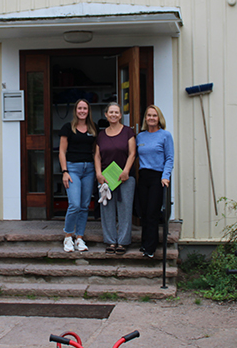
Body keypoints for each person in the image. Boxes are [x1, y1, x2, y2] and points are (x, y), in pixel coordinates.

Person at [94, 102, 136, 254]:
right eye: (111, 112)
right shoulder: (101, 135)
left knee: (125, 209)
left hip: (125, 177)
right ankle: (111, 241)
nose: (113, 115)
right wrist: (99, 174)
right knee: (107, 209)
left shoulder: (128, 132)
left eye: (116, 112)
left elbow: (132, 153)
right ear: (106, 115)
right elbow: (97, 156)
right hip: (106, 179)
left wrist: (126, 171)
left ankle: (123, 242)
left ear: (120, 115)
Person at [135, 105, 174, 258]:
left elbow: (169, 158)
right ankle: (145, 243)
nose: (151, 118)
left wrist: (166, 176)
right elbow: (133, 156)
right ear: (145, 118)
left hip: (158, 177)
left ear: (159, 118)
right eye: (149, 115)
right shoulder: (140, 137)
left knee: (152, 212)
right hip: (143, 176)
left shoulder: (165, 135)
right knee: (143, 212)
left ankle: (150, 248)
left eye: (154, 115)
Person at [58, 99, 97, 252]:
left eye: (85, 108)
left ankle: (79, 238)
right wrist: (64, 171)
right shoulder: (68, 128)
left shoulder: (93, 128)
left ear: (88, 111)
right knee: (74, 204)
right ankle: (68, 236)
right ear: (75, 110)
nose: (82, 111)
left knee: (85, 206)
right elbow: (62, 151)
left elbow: (96, 151)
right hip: (72, 168)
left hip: (89, 169)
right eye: (80, 108)